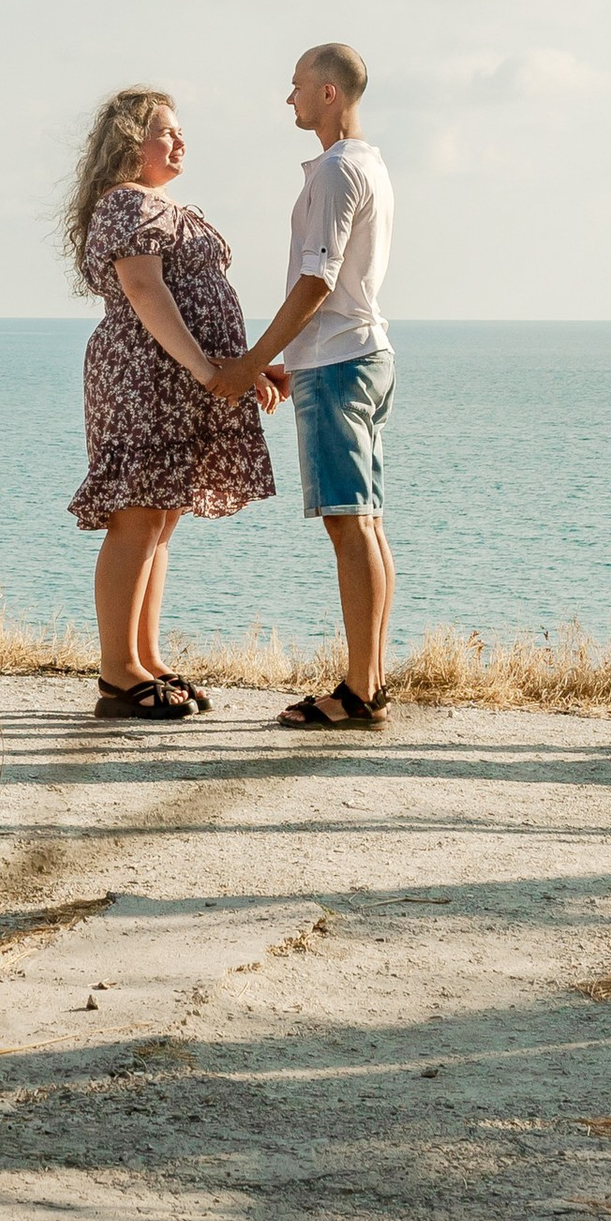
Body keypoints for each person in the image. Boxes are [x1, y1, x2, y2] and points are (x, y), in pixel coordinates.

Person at [64, 84, 276, 724]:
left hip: (176, 379)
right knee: (136, 516)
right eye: (167, 132)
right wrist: (206, 367)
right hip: (144, 376)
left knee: (160, 519)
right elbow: (143, 289)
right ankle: (117, 672)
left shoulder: (153, 204)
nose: (180, 142)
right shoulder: (127, 205)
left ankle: (144, 657)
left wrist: (249, 366)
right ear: (132, 142)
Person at [209, 43, 394, 730]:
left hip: (340, 364)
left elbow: (316, 280)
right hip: (359, 355)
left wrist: (254, 359)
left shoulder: (338, 171)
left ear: (327, 93)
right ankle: (368, 683)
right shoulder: (366, 164)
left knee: (351, 528)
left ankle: (356, 693)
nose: (287, 99)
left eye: (295, 87)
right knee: (367, 523)